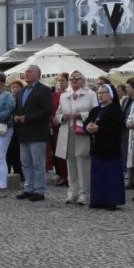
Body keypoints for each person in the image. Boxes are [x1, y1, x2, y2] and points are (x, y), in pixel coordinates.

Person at [12, 65, 53, 202]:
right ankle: (28, 188)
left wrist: (26, 118)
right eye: (26, 72)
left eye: (29, 71)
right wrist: (16, 117)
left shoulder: (44, 90)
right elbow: (18, 108)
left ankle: (39, 190)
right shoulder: (22, 91)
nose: (26, 73)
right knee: (25, 163)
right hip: (23, 132)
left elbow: (47, 110)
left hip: (37, 132)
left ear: (37, 74)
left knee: (37, 163)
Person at [54, 72, 96, 205]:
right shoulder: (64, 95)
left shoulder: (90, 94)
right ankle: (72, 192)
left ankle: (84, 194)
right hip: (67, 132)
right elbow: (57, 115)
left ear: (83, 80)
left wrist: (81, 115)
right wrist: (62, 117)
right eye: (72, 79)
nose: (74, 81)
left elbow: (96, 112)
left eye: (77, 78)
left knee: (83, 163)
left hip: (82, 132)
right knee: (70, 163)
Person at [86, 83, 126, 211]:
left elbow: (118, 127)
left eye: (103, 92)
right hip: (97, 147)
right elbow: (88, 121)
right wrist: (88, 127)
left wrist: (100, 129)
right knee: (98, 175)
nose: (100, 95)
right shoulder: (95, 110)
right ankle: (98, 200)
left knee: (111, 176)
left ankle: (111, 200)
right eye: (99, 93)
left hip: (110, 147)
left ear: (111, 95)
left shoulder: (115, 110)